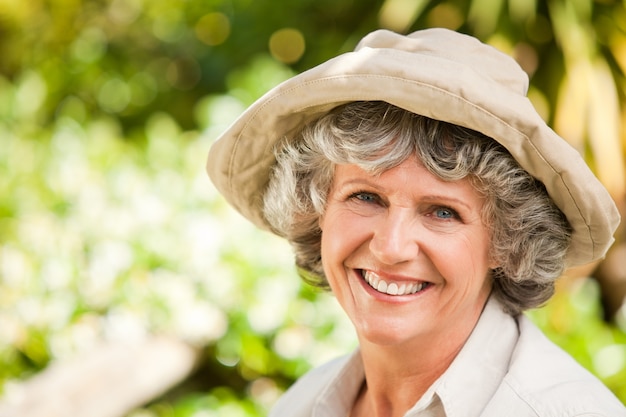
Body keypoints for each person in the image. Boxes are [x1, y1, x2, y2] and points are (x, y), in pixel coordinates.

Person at [207, 28, 625, 416]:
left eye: (442, 212)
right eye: (365, 197)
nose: (391, 247)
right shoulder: (303, 402)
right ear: (315, 211)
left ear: (508, 243)